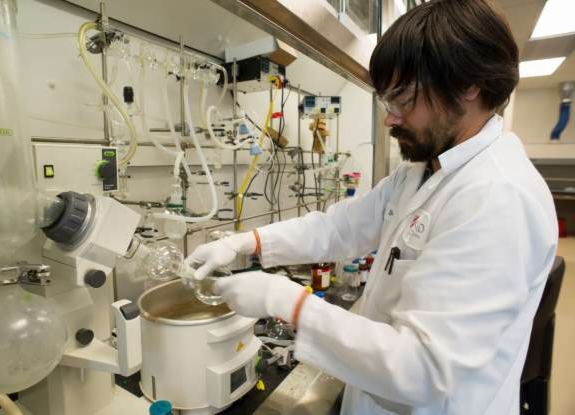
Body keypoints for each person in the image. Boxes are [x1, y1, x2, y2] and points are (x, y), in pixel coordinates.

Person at [186, 0, 558, 413]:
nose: (390, 119)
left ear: (468, 85)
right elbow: (339, 227)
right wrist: (246, 242)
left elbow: (425, 370)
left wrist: (285, 300)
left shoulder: (498, 198)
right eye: (387, 102)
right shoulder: (426, 169)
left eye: (403, 99)